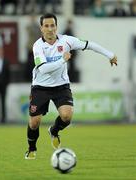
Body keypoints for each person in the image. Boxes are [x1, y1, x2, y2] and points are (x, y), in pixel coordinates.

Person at [25, 13, 117, 159]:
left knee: (67, 117)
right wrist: (62, 60)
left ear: (56, 26)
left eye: (53, 25)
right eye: (46, 26)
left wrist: (110, 54)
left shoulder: (66, 40)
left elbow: (90, 45)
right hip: (40, 86)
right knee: (34, 122)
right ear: (41, 28)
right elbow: (43, 69)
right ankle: (31, 149)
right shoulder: (38, 46)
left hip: (61, 85)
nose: (50, 29)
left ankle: (54, 131)